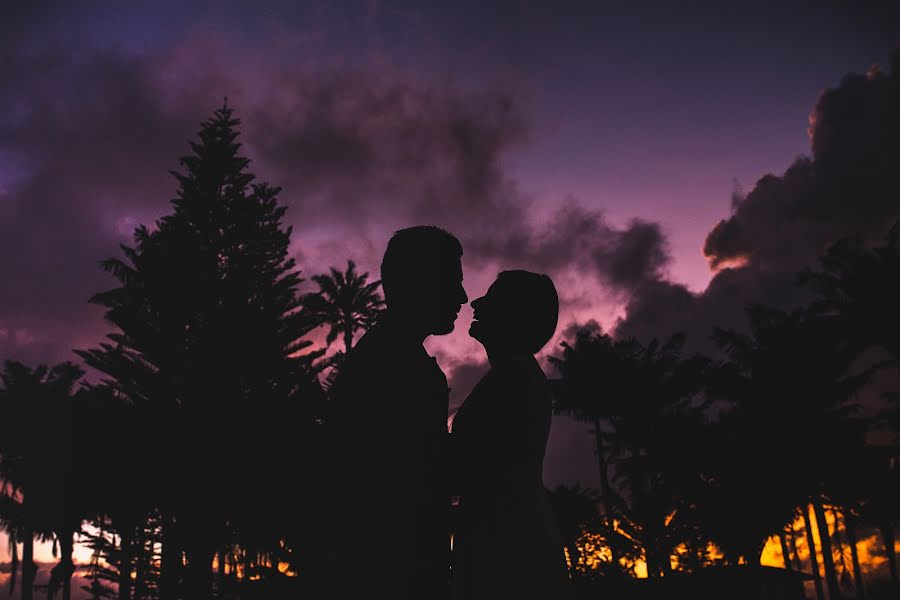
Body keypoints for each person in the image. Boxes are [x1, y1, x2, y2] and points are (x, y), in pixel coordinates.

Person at [321, 225, 467, 600]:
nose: (463, 297)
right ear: (421, 283)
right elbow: (408, 478)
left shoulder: (385, 356)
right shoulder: (396, 366)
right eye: (452, 282)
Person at [450, 270, 571, 600]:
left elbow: (466, 464)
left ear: (513, 314)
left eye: (491, 298)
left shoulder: (513, 377)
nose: (476, 303)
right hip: (509, 533)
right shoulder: (517, 375)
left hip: (506, 541)